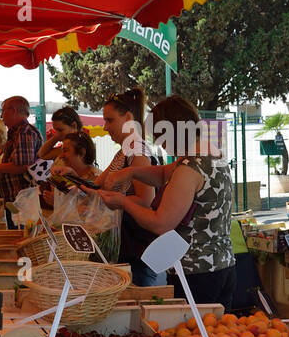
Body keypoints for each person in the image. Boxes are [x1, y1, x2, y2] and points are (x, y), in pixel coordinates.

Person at [95, 96, 235, 309]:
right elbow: (162, 174)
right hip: (223, 265)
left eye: (161, 136)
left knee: (194, 336)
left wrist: (123, 202)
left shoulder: (189, 168)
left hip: (197, 273)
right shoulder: (211, 154)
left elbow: (160, 223)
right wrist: (131, 172)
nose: (160, 143)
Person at [101, 87, 163, 287]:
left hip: (138, 249)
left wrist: (117, 202)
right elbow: (97, 185)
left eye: (109, 120)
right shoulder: (124, 152)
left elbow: (145, 200)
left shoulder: (137, 151)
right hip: (130, 246)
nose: (105, 127)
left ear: (128, 117)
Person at [0, 96, 44, 202]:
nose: (1, 115)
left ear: (13, 111)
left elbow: (23, 165)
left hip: (21, 201)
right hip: (16, 199)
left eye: (3, 111)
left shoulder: (24, 132)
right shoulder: (18, 132)